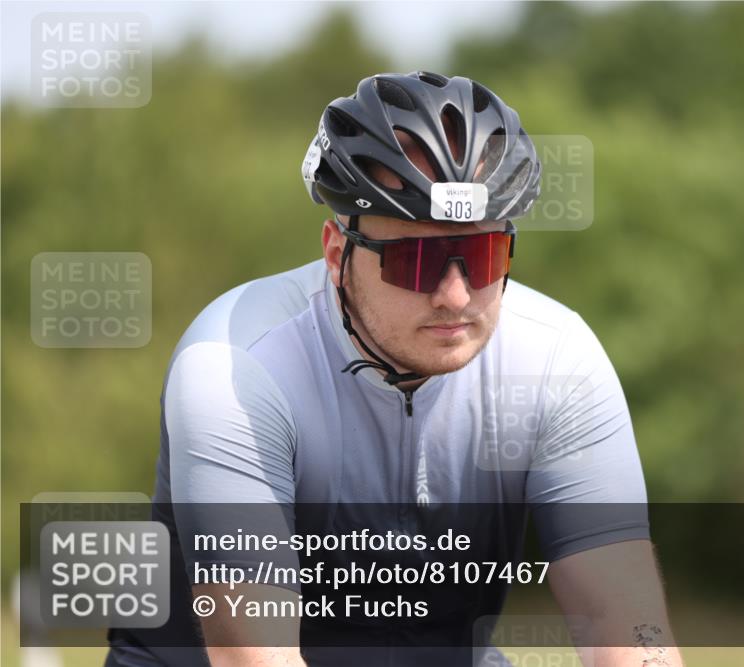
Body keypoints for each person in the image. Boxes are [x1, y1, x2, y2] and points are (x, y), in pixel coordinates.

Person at [104, 71, 685, 667]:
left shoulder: (558, 359)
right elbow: (255, 660)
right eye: (416, 261)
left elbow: (628, 626)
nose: (456, 296)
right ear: (338, 254)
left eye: (485, 256)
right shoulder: (237, 366)